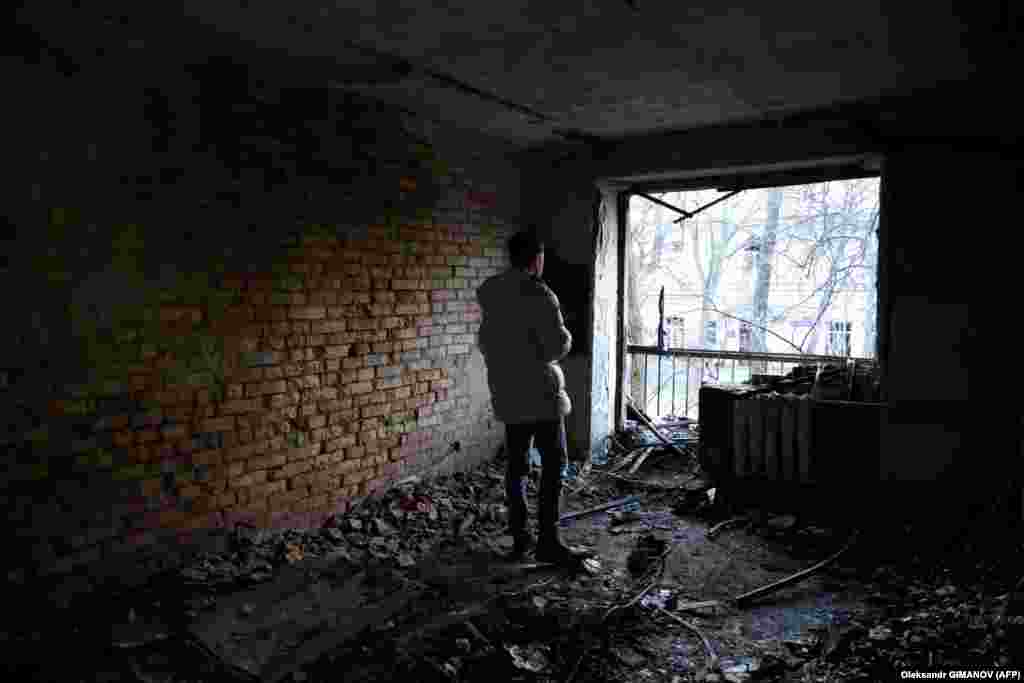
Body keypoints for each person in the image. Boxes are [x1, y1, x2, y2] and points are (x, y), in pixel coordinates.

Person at [476, 229, 591, 564]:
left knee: (517, 467)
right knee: (555, 464)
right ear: (536, 258)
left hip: (508, 393)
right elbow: (556, 346)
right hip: (540, 396)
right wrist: (565, 335)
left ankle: (519, 539)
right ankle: (548, 541)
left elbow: (486, 343)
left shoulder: (492, 293)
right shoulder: (540, 294)